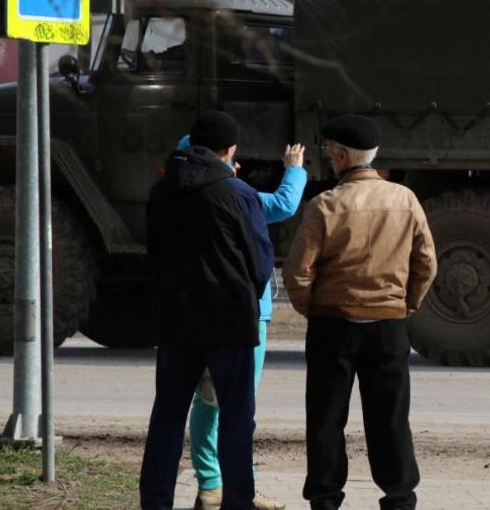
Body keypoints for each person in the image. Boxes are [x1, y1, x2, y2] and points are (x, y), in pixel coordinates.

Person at [282, 114, 437, 510]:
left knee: (326, 419)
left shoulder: (324, 206)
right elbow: (427, 264)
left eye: (332, 151)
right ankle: (400, 497)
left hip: (333, 325)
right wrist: (405, 305)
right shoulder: (405, 200)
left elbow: (298, 272)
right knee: (390, 419)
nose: (329, 157)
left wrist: (313, 310)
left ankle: (326, 497)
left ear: (343, 155)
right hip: (388, 326)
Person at [141, 110, 273, 510]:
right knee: (236, 419)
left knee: (167, 416)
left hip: (177, 323)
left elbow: (154, 257)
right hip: (229, 323)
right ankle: (238, 501)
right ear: (229, 150)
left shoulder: (161, 192)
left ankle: (156, 501)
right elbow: (261, 263)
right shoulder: (238, 194)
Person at [184, 138, 307, 510]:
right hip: (246, 316)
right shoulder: (238, 196)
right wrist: (295, 168)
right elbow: (285, 205)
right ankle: (235, 490)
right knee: (237, 408)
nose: (235, 167)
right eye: (230, 159)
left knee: (206, 400)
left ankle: (211, 485)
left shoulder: (178, 197)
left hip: (197, 312)